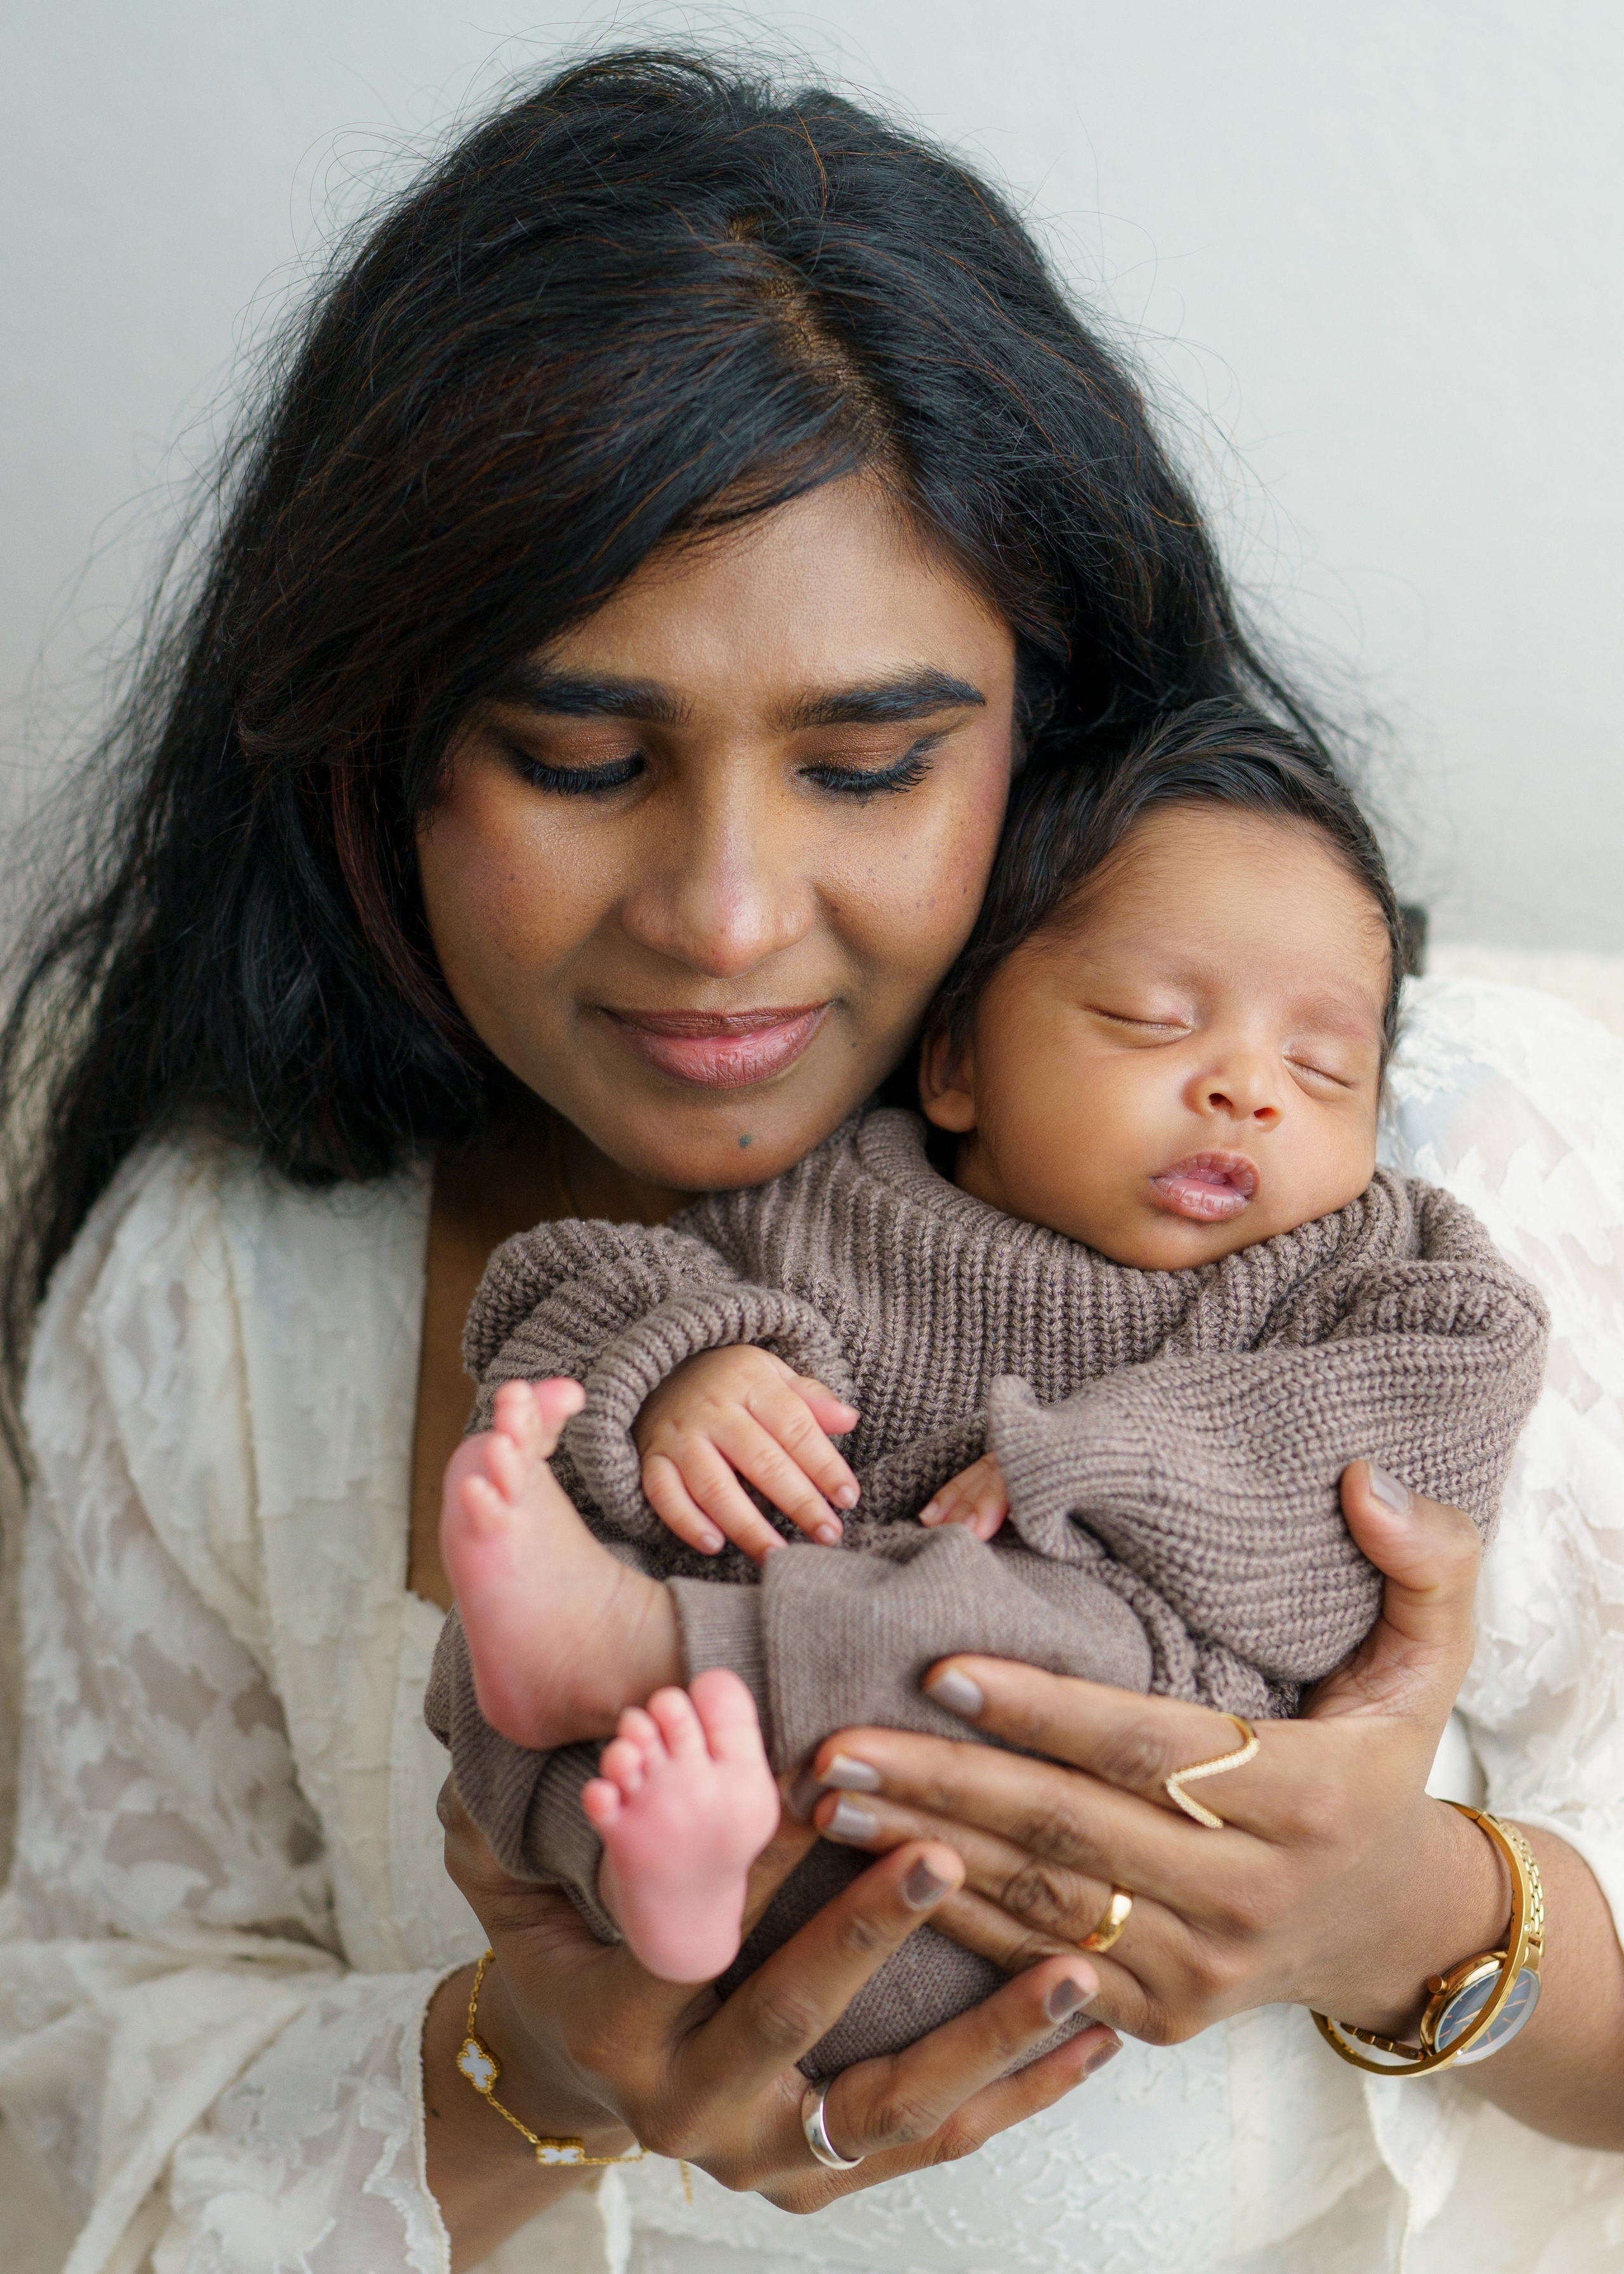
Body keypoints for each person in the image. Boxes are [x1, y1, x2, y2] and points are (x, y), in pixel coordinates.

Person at [0, 48, 1621, 2274]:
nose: (730, 915)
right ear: (373, 745)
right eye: (582, 754)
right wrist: (535, 2073)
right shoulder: (230, 1289)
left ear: (1045, 729)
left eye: (868, 764)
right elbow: (86, 2092)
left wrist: (1421, 1917)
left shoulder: (1434, 1171)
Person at [426, 707, 1549, 2058]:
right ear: (955, 1060)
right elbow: (565, 1285)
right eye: (1150, 1020)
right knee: (508, 1596)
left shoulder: (1354, 1264)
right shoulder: (825, 1195)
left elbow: (1430, 1413)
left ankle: (622, 1656)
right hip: (695, 1849)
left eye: (1323, 1068)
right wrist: (685, 1370)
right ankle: (669, 1879)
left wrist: (1107, 1449)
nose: (1248, 1089)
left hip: (1025, 1853)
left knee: (1079, 1647)